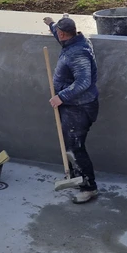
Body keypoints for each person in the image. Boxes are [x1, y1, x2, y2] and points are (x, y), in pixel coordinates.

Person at [42, 15, 99, 204]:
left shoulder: (78, 53)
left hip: (79, 108)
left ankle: (89, 188)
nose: (57, 35)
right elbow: (59, 36)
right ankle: (76, 177)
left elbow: (84, 81)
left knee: (75, 148)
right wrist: (50, 24)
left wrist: (61, 97)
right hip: (73, 106)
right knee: (70, 145)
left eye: (58, 31)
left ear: (64, 34)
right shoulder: (74, 40)